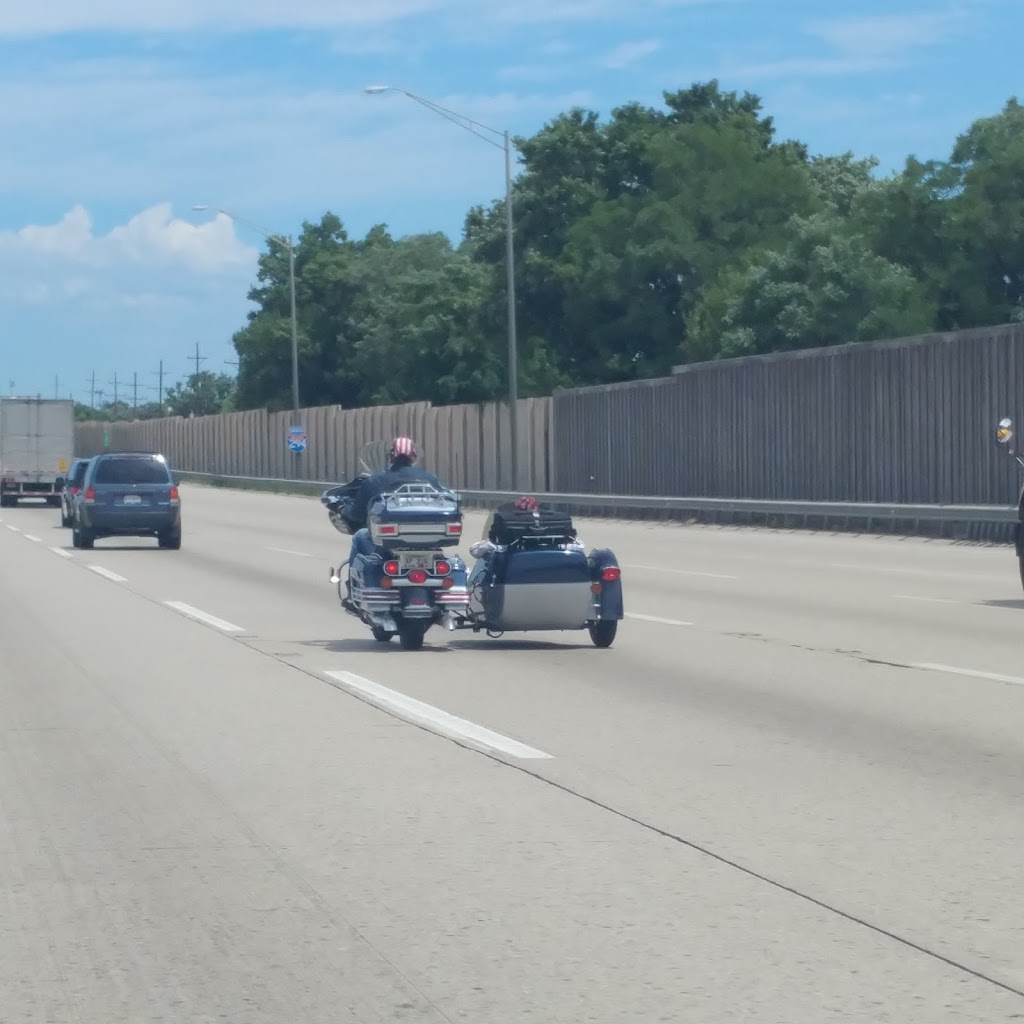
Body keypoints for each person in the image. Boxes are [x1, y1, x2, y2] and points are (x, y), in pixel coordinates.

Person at [342, 436, 445, 579]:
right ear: (413, 456)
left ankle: (352, 585)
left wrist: (344, 509)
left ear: (391, 456)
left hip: (388, 542)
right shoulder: (430, 479)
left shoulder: (375, 481)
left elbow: (356, 515)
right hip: (428, 540)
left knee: (359, 536)